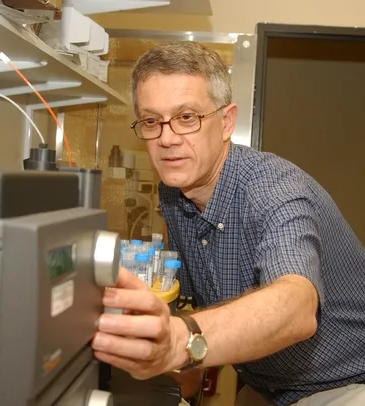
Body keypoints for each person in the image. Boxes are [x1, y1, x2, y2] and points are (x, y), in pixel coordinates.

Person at [92, 41, 365, 406]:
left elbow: (297, 308)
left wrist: (181, 342)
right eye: (151, 121)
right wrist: (190, 366)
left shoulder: (275, 187)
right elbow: (202, 303)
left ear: (226, 122)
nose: (167, 138)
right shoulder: (174, 192)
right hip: (264, 384)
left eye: (187, 117)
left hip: (344, 384)